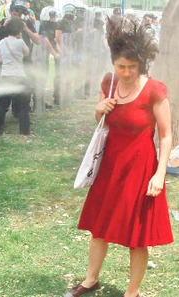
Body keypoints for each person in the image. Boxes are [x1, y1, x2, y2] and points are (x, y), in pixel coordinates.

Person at [65, 18, 173, 297]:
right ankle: (91, 279)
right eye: (121, 66)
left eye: (131, 67)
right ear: (114, 64)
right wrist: (99, 109)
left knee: (137, 238)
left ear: (141, 65)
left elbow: (166, 135)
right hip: (110, 166)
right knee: (98, 228)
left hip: (141, 167)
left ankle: (132, 291)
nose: (125, 72)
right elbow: (100, 122)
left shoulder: (155, 89)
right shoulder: (109, 82)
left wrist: (160, 173)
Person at [0, 17, 31, 135]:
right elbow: (27, 53)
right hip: (19, 76)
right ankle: (25, 130)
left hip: (5, 76)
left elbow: (0, 59)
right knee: (23, 105)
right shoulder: (20, 42)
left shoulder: (2, 42)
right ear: (19, 30)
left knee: (2, 105)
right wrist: (21, 37)